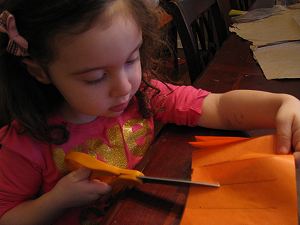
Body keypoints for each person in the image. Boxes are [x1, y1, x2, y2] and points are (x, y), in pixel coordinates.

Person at [0, 0, 300, 224]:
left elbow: (219, 107)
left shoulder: (145, 96)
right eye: (94, 78)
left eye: (131, 60)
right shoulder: (25, 144)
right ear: (40, 71)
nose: (124, 86)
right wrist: (57, 200)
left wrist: (281, 106)